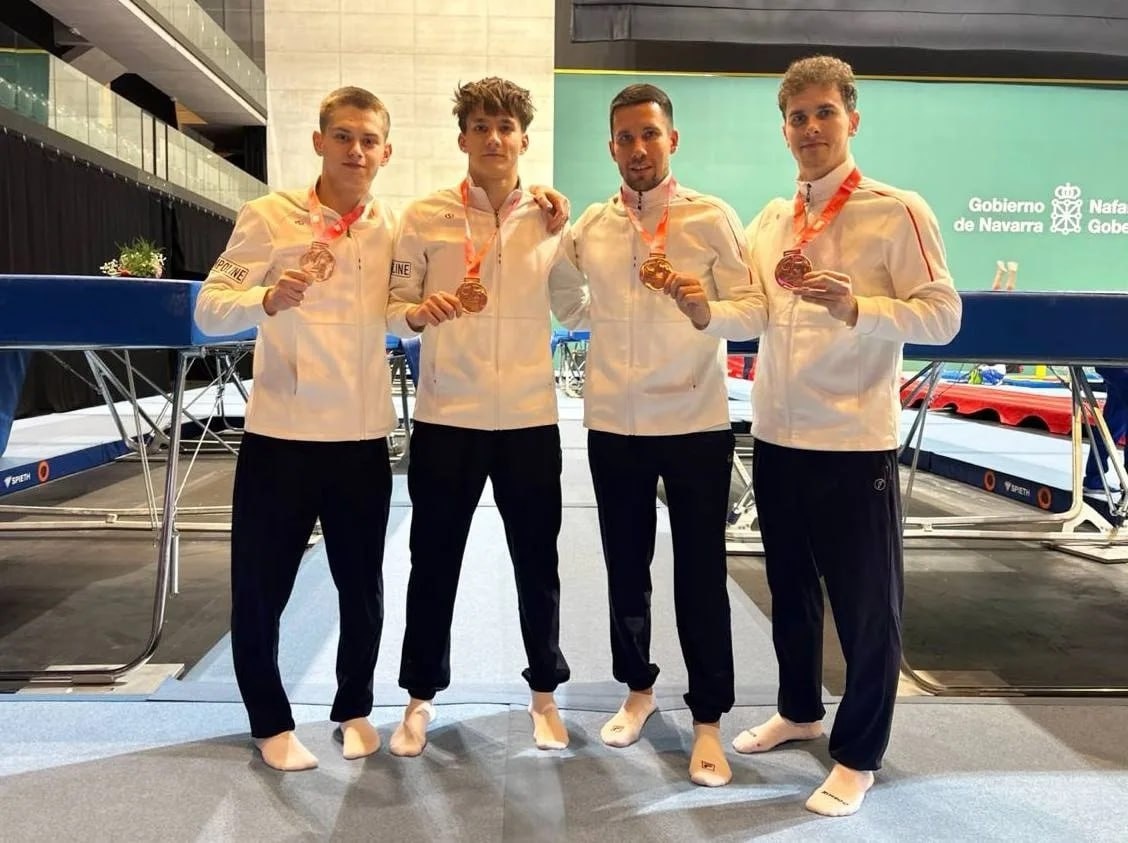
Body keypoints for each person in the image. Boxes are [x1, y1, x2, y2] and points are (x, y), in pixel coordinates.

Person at [736, 55, 962, 816]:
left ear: (852, 119)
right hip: (777, 436)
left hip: (853, 440)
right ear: (784, 129)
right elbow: (746, 307)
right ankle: (799, 709)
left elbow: (943, 315)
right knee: (791, 592)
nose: (811, 128)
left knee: (867, 607)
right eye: (797, 117)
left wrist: (858, 306)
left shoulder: (897, 211)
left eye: (824, 112)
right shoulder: (771, 221)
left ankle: (859, 752)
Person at [563, 83, 765, 786]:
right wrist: (577, 289)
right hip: (614, 424)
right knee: (625, 567)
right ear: (611, 147)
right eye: (625, 137)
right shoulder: (592, 224)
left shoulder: (711, 216)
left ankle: (708, 718)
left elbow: (753, 310)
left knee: (701, 573)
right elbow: (564, 296)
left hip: (693, 423)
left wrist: (706, 310)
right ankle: (638, 688)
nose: (638, 148)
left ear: (671, 140)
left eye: (650, 134)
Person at [194, 87, 399, 771]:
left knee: (362, 589)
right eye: (343, 136)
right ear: (318, 142)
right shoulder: (268, 216)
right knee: (261, 588)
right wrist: (266, 297)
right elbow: (209, 308)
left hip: (361, 439)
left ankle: (355, 706)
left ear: (386, 153)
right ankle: (270, 720)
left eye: (368, 140)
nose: (355, 151)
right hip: (281, 438)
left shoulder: (391, 227)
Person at [385, 77, 587, 756]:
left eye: (505, 127)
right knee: (432, 560)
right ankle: (418, 697)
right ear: (463, 137)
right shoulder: (425, 215)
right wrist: (416, 316)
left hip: (529, 418)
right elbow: (394, 307)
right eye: (481, 126)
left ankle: (544, 692)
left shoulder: (550, 220)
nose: (494, 137)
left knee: (537, 561)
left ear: (523, 139)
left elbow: (575, 306)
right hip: (448, 416)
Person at [1084, 366, 1128, 495]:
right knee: (1113, 425)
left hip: (1117, 366)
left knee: (1112, 425)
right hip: (1118, 366)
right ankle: (1094, 478)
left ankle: (1094, 479)